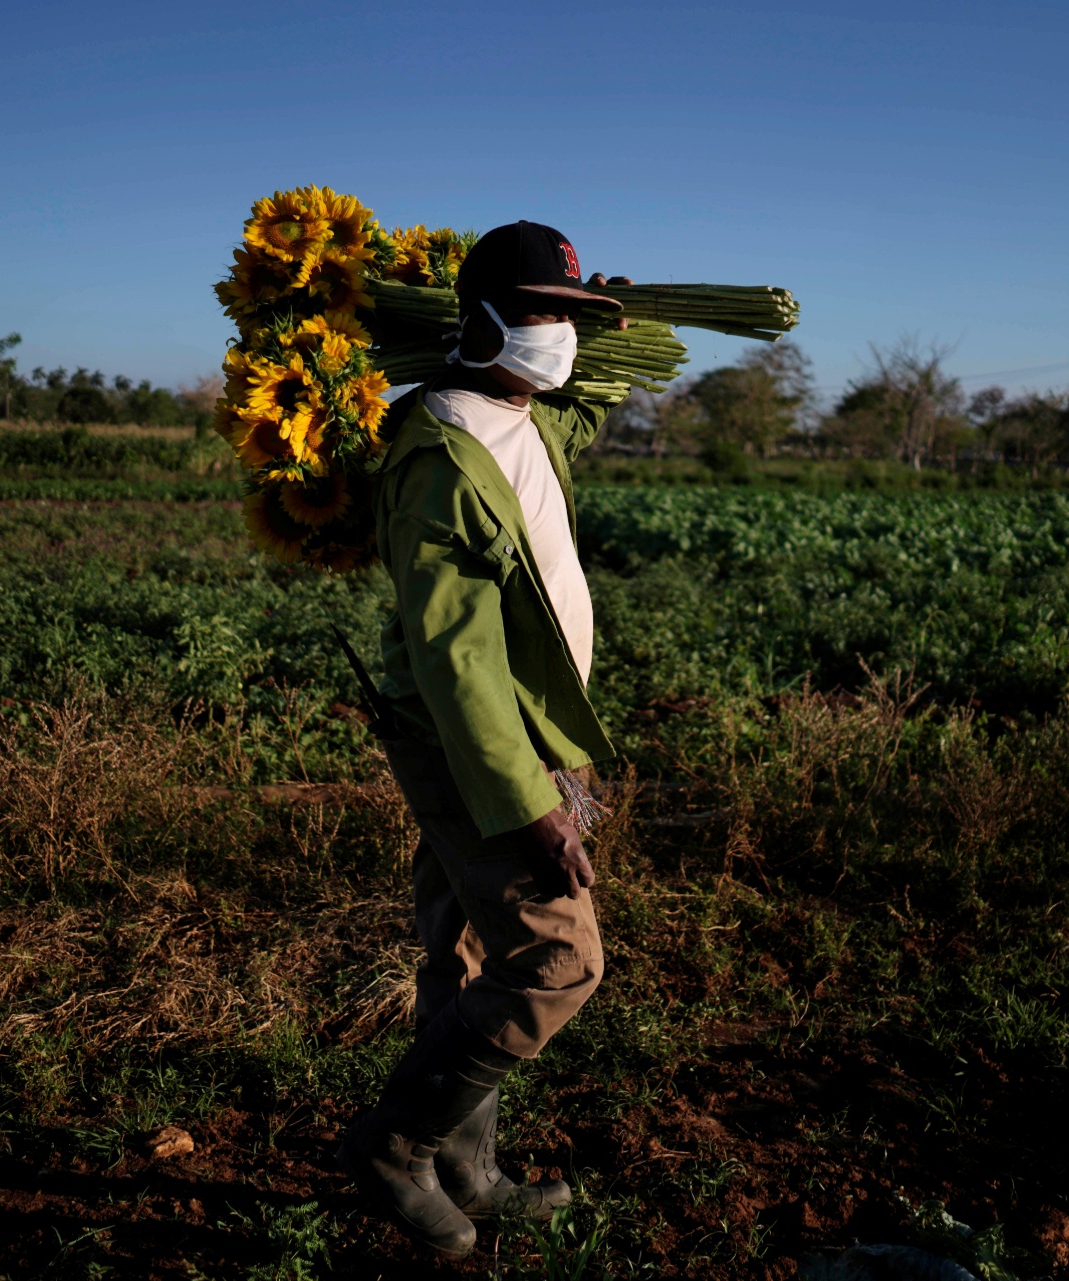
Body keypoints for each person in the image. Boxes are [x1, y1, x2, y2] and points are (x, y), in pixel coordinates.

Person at [336, 221, 629, 1257]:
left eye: (573, 318)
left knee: (465, 953)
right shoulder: (440, 454)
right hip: (475, 744)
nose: (561, 336)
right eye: (544, 313)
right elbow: (457, 662)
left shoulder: (528, 416)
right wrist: (530, 800)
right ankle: (395, 1145)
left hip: (522, 729)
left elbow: (588, 398)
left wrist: (620, 320)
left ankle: (470, 1169)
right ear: (482, 320)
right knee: (557, 962)